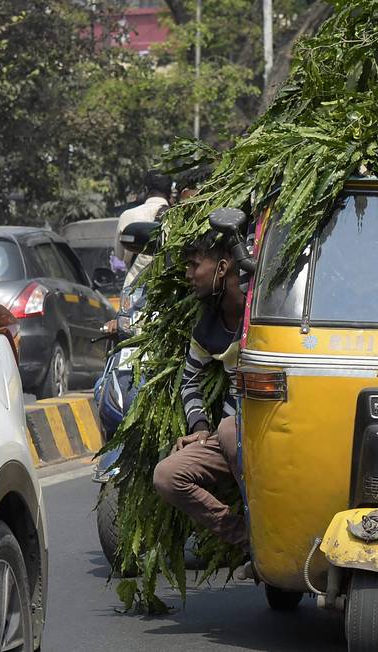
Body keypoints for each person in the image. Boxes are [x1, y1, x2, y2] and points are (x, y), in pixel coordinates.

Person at [153, 229, 251, 576]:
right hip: (229, 435)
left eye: (195, 265)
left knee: (228, 430)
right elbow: (189, 381)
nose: (188, 275)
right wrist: (200, 428)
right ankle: (248, 539)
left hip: (272, 432)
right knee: (167, 475)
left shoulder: (265, 312)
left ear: (223, 267)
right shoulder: (208, 327)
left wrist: (222, 428)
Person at [114, 170, 172, 270]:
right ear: (170, 192)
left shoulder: (127, 215)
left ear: (145, 189)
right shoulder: (178, 216)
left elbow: (119, 256)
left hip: (134, 283)